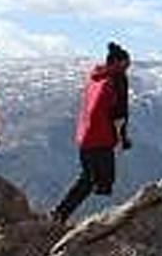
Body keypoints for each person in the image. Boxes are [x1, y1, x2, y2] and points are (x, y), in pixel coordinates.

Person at [50, 42, 131, 223]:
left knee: (88, 179)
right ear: (119, 63)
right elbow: (120, 113)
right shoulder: (117, 79)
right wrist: (123, 138)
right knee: (103, 183)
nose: (128, 68)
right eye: (127, 64)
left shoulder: (95, 78)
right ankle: (113, 221)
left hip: (85, 136)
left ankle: (59, 213)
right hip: (102, 138)